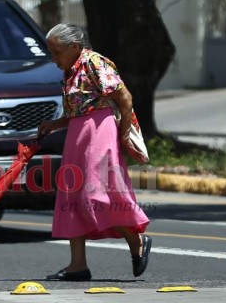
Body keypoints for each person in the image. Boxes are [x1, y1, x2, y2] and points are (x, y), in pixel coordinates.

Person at [38, 23, 151, 281]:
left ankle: (136, 241)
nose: (53, 59)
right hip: (78, 135)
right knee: (73, 198)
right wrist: (54, 125)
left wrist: (123, 132)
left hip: (100, 133)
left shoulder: (94, 62)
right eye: (51, 53)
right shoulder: (71, 69)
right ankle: (77, 265)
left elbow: (125, 98)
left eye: (56, 53)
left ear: (75, 47)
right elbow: (78, 111)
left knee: (96, 195)